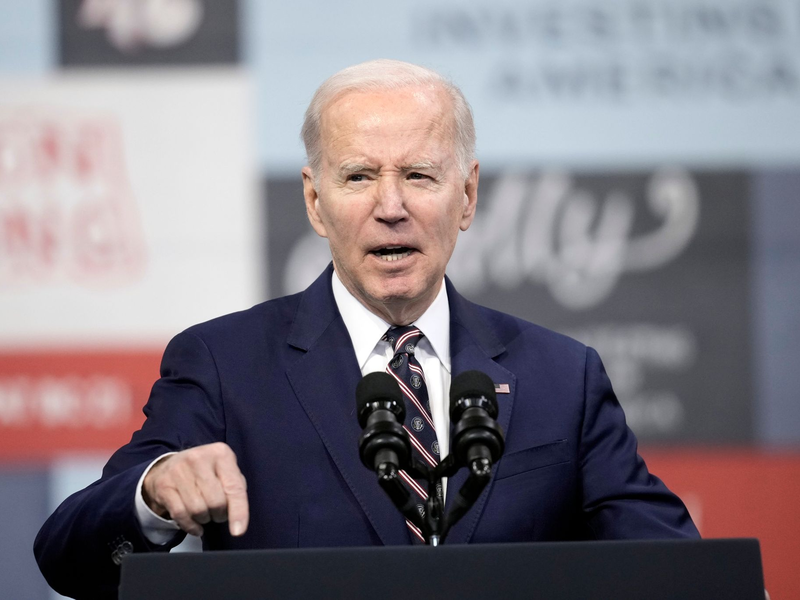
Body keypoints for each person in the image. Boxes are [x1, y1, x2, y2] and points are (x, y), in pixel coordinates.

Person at [34, 59, 699, 599]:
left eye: (418, 175)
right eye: (358, 176)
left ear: (467, 196)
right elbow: (67, 556)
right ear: (315, 201)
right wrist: (153, 491)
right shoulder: (224, 364)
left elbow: (680, 571)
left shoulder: (561, 375)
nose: (391, 207)